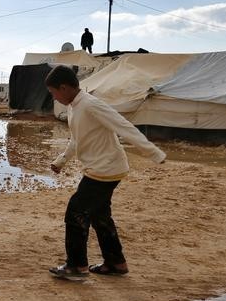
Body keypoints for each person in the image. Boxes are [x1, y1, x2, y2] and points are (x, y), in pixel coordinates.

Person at [45, 65, 166, 280]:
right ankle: (116, 263)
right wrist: (61, 161)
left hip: (105, 169)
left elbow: (123, 126)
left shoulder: (91, 105)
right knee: (100, 215)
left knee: (76, 212)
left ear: (63, 88)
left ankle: (77, 267)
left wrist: (154, 153)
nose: (54, 98)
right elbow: (77, 138)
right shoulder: (74, 107)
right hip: (100, 168)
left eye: (53, 93)